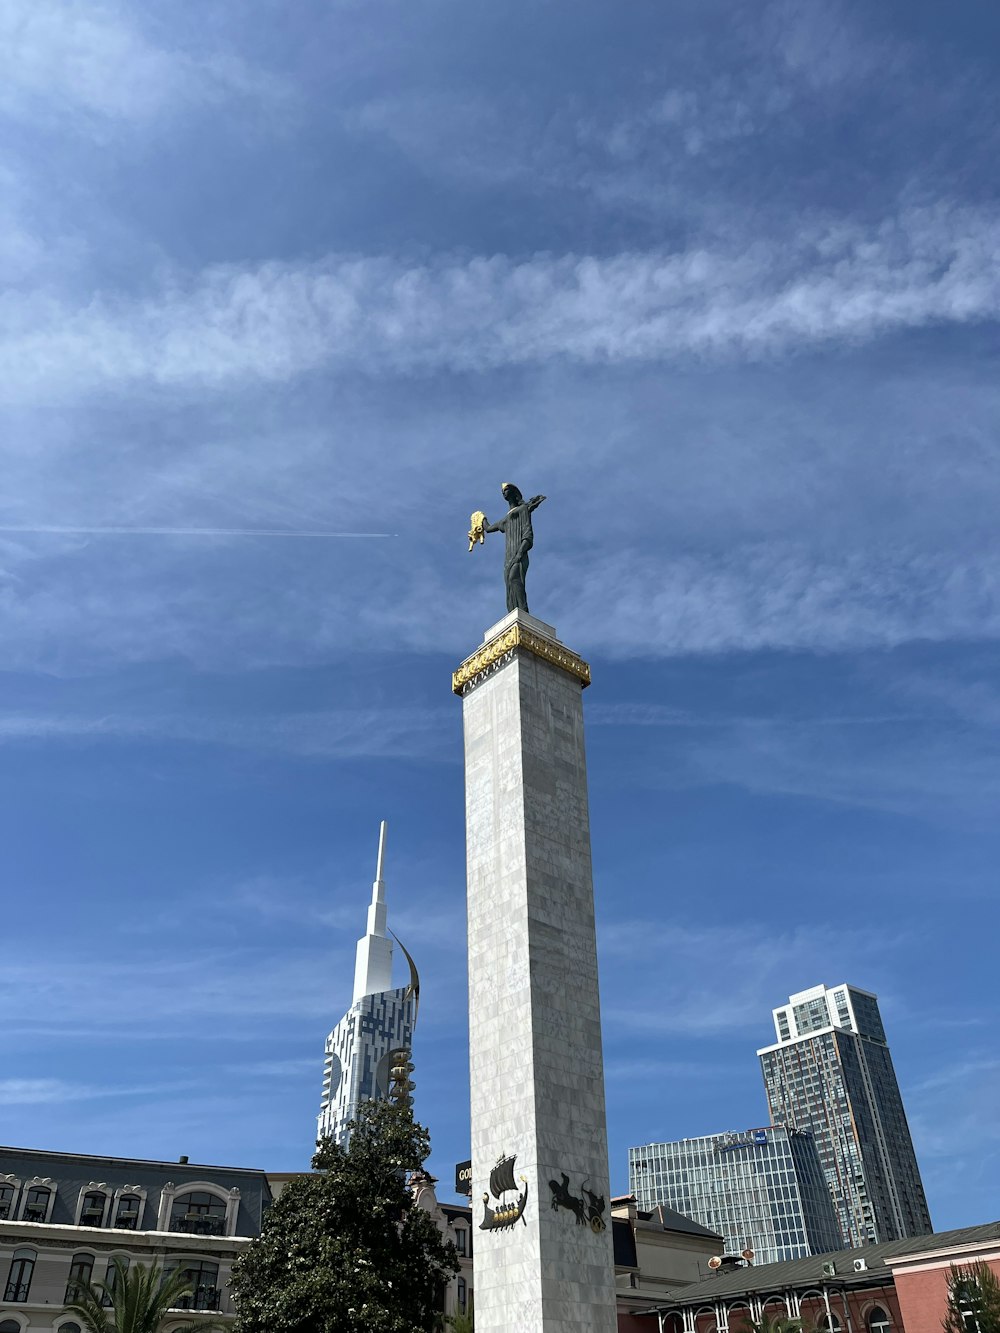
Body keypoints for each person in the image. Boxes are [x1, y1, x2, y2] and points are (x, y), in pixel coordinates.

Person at [484, 483, 546, 613]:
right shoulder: (505, 520)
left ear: (513, 492)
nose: (504, 493)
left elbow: (527, 532)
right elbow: (489, 528)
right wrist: (480, 517)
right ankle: (513, 612)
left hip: (519, 551)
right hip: (508, 556)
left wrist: (521, 551)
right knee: (509, 585)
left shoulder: (523, 509)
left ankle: (523, 610)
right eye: (502, 491)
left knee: (514, 578)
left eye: (506, 490)